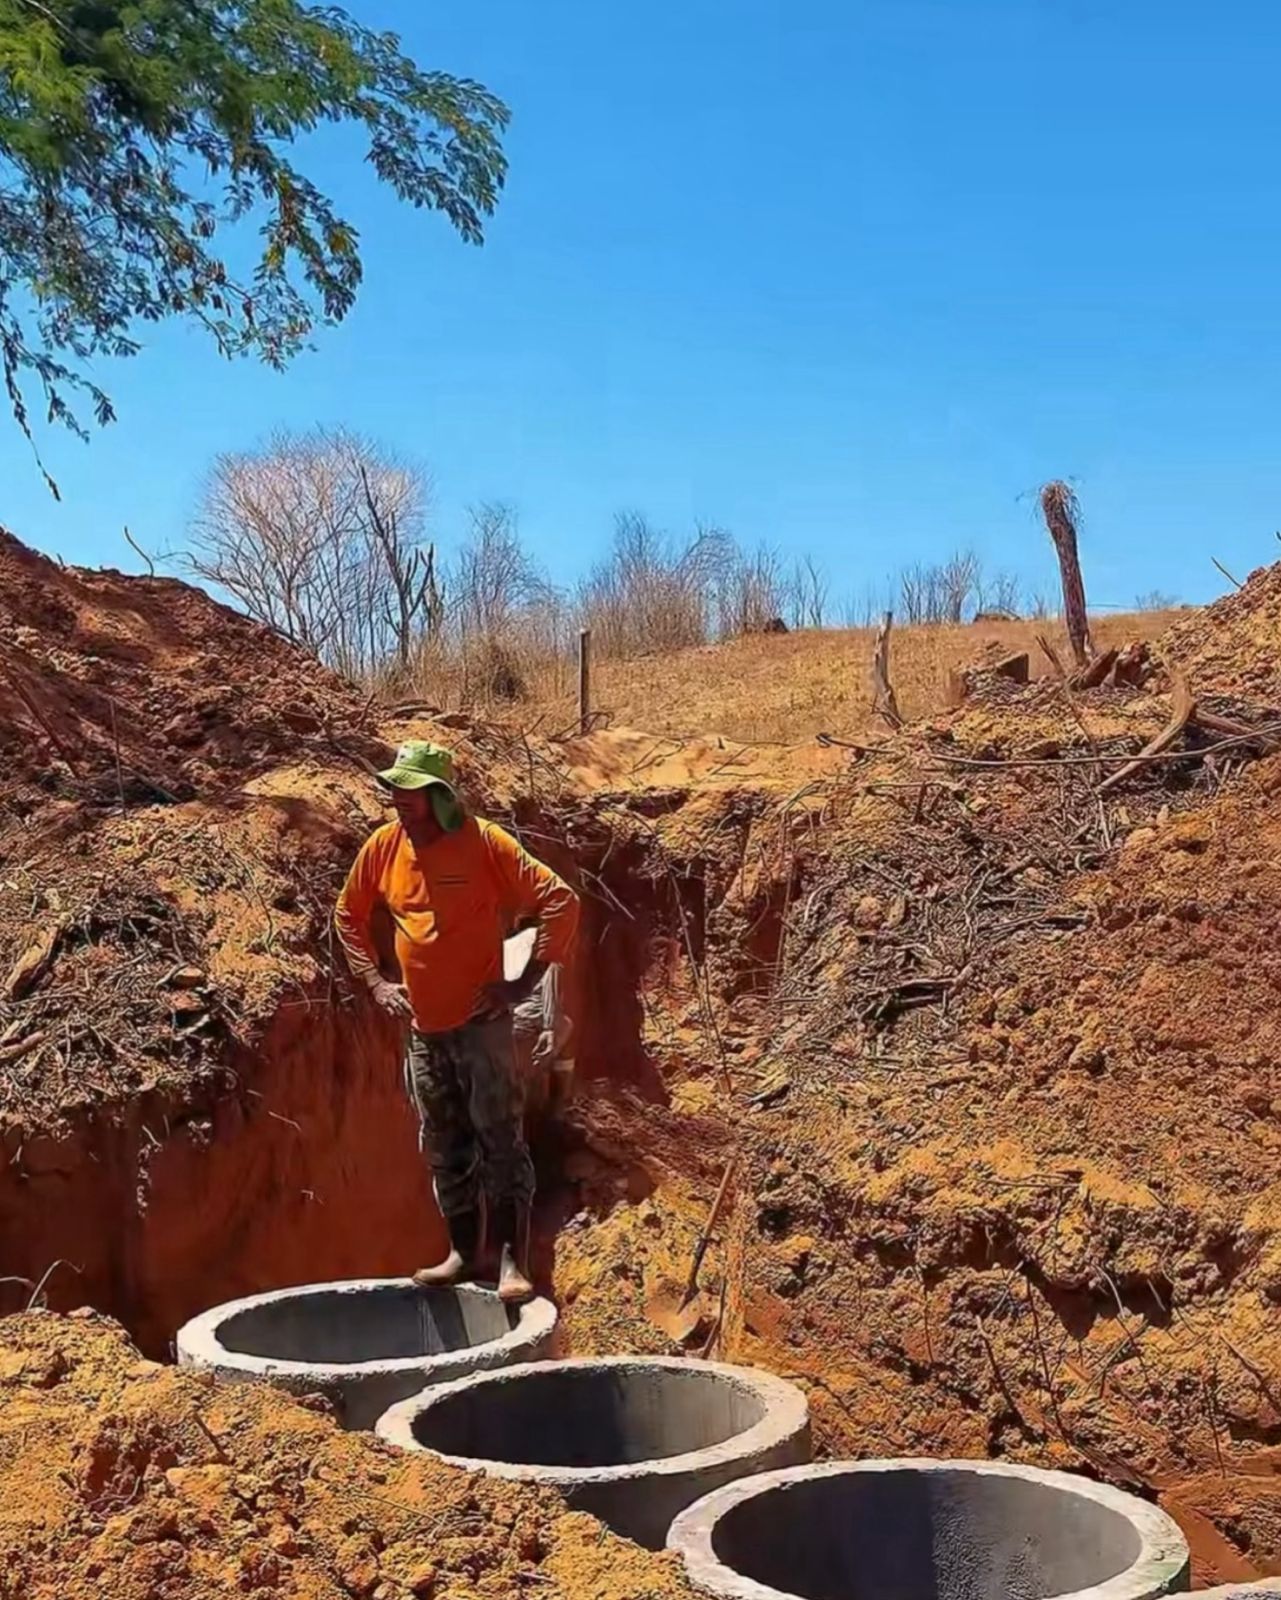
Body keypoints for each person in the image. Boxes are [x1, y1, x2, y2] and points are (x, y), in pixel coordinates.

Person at [334, 740, 579, 1304]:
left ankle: (512, 1262)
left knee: (499, 1140)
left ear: (440, 796)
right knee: (445, 1142)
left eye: (410, 791)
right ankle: (464, 1253)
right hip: (424, 1031)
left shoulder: (483, 842)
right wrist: (375, 982)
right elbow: (348, 913)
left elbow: (559, 901)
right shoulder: (383, 847)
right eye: (394, 789)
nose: (399, 800)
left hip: (481, 1029)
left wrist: (522, 983)